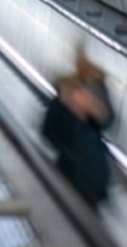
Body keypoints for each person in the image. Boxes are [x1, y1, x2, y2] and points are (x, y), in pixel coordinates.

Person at [42, 74, 111, 206]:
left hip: (88, 191)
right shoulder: (65, 120)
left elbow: (107, 118)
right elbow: (48, 132)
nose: (91, 99)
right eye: (84, 93)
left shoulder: (90, 128)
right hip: (75, 186)